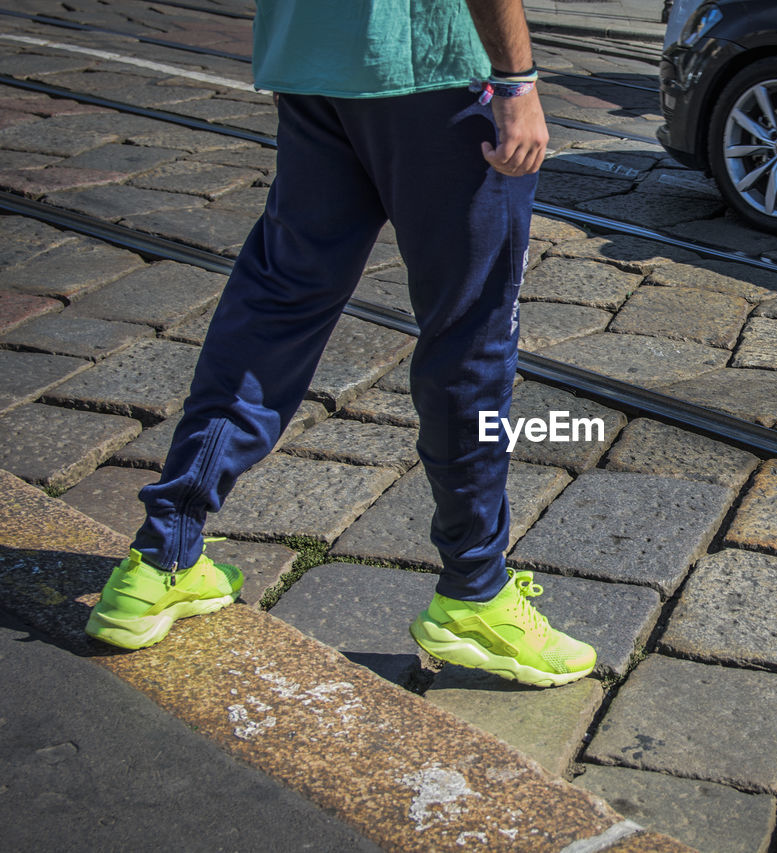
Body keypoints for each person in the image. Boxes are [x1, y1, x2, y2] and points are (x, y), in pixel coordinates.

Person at [84, 0, 596, 688]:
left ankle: (162, 556)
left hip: (312, 58)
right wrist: (516, 80)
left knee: (276, 306)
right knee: (470, 335)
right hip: (435, 65)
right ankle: (475, 593)